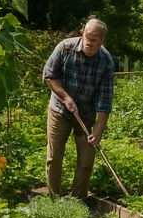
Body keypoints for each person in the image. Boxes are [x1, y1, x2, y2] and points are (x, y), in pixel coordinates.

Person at [43, 18, 115, 199]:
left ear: (102, 40)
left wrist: (98, 130)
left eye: (94, 40)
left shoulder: (106, 61)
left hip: (86, 113)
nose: (88, 43)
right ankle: (53, 200)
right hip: (59, 110)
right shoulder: (65, 48)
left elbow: (105, 100)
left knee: (86, 160)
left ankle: (78, 200)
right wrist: (66, 97)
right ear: (82, 33)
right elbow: (49, 75)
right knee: (54, 157)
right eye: (86, 37)